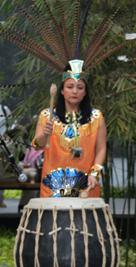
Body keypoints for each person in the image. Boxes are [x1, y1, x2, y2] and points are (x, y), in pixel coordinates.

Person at [32, 60, 107, 198]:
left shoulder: (96, 117)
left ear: (85, 92)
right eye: (70, 86)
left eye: (80, 87)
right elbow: (37, 145)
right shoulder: (47, 115)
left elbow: (101, 149)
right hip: (53, 182)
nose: (74, 91)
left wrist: (95, 172)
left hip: (85, 180)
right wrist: (45, 134)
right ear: (61, 91)